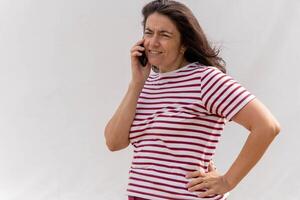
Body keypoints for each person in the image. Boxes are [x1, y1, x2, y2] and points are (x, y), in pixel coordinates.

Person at [104, 0, 281, 199]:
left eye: (164, 35)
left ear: (184, 44)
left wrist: (227, 181)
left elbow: (267, 126)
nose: (153, 42)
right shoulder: (144, 84)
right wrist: (136, 84)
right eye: (148, 32)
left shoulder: (206, 80)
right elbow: (114, 142)